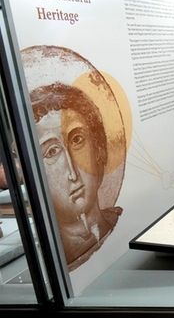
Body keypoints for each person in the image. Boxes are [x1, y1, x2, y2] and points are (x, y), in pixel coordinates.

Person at [30, 83, 122, 271]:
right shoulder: (56, 259)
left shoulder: (125, 222)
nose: (73, 173)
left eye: (77, 140)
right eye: (51, 152)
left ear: (99, 148)